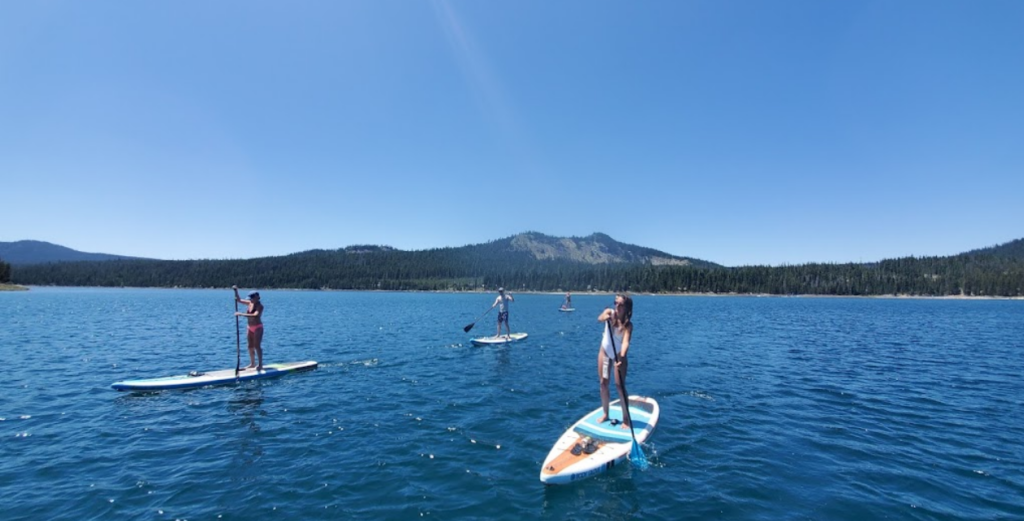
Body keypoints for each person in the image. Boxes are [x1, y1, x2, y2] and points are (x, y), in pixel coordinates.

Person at [596, 293, 633, 428]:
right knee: (603, 382)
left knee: (619, 386)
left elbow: (625, 342)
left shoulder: (628, 325)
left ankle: (626, 419)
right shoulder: (610, 313)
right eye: (615, 303)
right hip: (605, 352)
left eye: (620, 304)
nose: (617, 306)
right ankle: (605, 413)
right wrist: (603, 317)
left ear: (627, 308)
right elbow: (599, 318)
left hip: (618, 355)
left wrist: (622, 356)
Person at [233, 286, 264, 371]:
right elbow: (239, 300)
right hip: (249, 327)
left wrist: (241, 314)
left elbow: (255, 315)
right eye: (249, 299)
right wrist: (236, 291)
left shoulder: (260, 306)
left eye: (252, 298)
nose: (250, 300)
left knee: (257, 346)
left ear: (256, 298)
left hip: (258, 327)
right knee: (250, 346)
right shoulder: (249, 303)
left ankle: (260, 364)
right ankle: (252, 363)